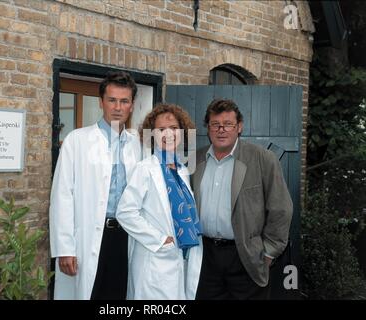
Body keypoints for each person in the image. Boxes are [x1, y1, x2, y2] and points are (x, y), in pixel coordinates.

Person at [49, 71, 141, 300]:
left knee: (120, 296)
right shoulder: (77, 140)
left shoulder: (138, 144)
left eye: (124, 101)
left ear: (132, 106)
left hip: (126, 237)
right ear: (101, 102)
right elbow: (62, 196)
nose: (117, 107)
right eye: (112, 100)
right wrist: (65, 249)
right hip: (89, 236)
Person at [192, 99, 293, 300]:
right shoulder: (195, 159)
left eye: (228, 124)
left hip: (247, 257)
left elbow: (281, 209)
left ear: (239, 127)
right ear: (208, 128)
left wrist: (268, 253)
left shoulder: (262, 158)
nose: (221, 129)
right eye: (215, 124)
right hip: (205, 258)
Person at [116, 104, 203, 299]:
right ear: (151, 134)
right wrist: (160, 240)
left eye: (173, 128)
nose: (168, 134)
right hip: (154, 260)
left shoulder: (182, 171)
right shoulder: (145, 169)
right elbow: (125, 212)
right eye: (161, 129)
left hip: (181, 257)